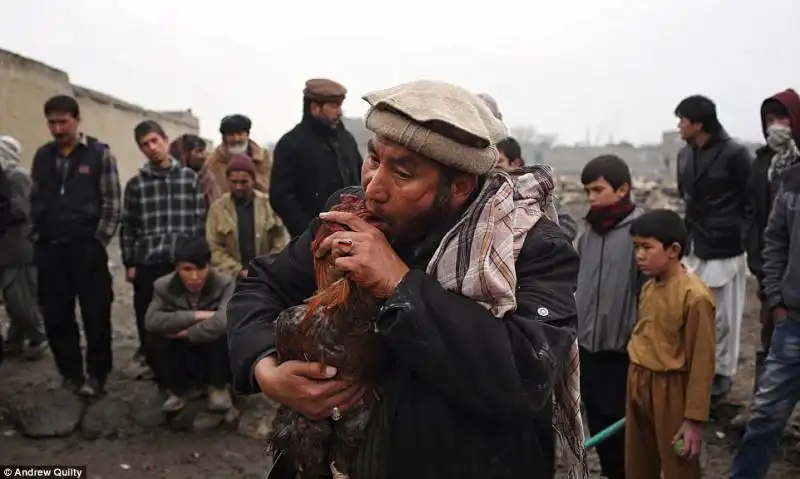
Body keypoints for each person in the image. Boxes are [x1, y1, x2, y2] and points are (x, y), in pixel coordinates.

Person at [228, 80, 584, 479]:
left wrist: (400, 285)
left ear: (459, 188)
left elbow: (525, 377)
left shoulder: (530, 247)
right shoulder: (350, 216)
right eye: (373, 158)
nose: (374, 187)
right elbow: (261, 285)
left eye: (402, 173)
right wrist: (266, 370)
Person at [30, 95, 121, 397]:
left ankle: (97, 375)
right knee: (56, 315)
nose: (57, 128)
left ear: (77, 120)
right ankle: (70, 373)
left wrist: (99, 241)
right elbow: (35, 199)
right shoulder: (43, 156)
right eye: (51, 122)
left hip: (87, 249)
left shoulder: (99, 154)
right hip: (51, 250)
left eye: (62, 121)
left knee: (96, 314)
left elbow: (111, 203)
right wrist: (36, 237)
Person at [625, 209, 715, 479]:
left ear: (673, 250)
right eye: (636, 247)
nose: (639, 255)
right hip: (639, 380)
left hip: (672, 390)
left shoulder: (695, 296)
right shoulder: (649, 287)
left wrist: (693, 419)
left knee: (679, 465)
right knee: (638, 462)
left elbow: (703, 362)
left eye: (647, 247)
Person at [675, 94, 752, 400]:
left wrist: (741, 236)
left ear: (698, 123)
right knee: (695, 310)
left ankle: (722, 374)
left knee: (725, 317)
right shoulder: (685, 155)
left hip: (726, 245)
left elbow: (750, 202)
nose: (679, 126)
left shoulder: (734, 155)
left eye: (682, 120)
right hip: (695, 242)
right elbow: (687, 197)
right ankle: (696, 369)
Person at [733, 88, 800, 428]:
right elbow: (750, 209)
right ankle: (762, 411)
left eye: (783, 118)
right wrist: (754, 249)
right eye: (770, 120)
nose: (776, 126)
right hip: (768, 269)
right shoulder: (760, 162)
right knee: (770, 338)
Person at [120, 120, 206, 383]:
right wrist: (129, 262)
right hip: (149, 262)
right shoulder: (136, 185)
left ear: (166, 140)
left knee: (186, 320)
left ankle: (190, 375)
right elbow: (128, 226)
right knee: (151, 321)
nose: (152, 148)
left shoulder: (189, 179)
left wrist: (198, 259)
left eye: (155, 141)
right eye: (145, 144)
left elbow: (199, 221)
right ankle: (162, 377)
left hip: (181, 263)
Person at [576, 155, 644, 479]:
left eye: (597, 189)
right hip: (589, 348)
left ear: (622, 190)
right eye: (587, 190)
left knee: (626, 428)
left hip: (624, 352)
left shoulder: (641, 234)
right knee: (599, 421)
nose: (590, 197)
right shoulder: (587, 232)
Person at [730, 163, 800, 478]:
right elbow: (775, 243)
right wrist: (777, 301)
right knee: (765, 415)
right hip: (793, 323)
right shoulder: (793, 181)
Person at [145, 237, 234, 412]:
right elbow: (152, 320)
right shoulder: (163, 286)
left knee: (224, 334)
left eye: (201, 269)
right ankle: (178, 389)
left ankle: (218, 386)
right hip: (182, 351)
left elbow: (225, 320)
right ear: (177, 268)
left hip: (210, 348)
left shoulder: (225, 283)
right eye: (187, 269)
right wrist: (197, 315)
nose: (195, 277)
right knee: (155, 338)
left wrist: (187, 332)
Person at [269, 78, 363, 237]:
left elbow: (361, 181)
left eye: (339, 106)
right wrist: (310, 234)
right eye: (333, 106)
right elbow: (281, 198)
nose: (339, 112)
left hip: (351, 236)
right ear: (314, 107)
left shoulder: (346, 140)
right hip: (310, 243)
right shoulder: (290, 144)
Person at [0, 135, 47, 360]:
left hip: (20, 248)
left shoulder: (17, 177)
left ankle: (39, 337)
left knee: (20, 299)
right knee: (13, 299)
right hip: (7, 249)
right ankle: (15, 341)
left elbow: (20, 211)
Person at [206, 154, 288, 279]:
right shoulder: (218, 209)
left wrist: (265, 267)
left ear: (253, 180)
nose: (239, 186)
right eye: (234, 182)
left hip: (267, 277)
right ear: (227, 180)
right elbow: (214, 248)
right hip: (229, 279)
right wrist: (238, 271)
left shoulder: (269, 205)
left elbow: (281, 242)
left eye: (244, 182)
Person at [204, 114, 271, 196]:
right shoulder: (213, 162)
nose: (236, 139)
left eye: (240, 134)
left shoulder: (263, 158)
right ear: (224, 138)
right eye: (231, 135)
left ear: (247, 135)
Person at [170, 134, 221, 207]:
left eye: (203, 151)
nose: (204, 156)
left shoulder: (207, 178)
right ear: (184, 154)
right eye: (199, 151)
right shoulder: (171, 179)